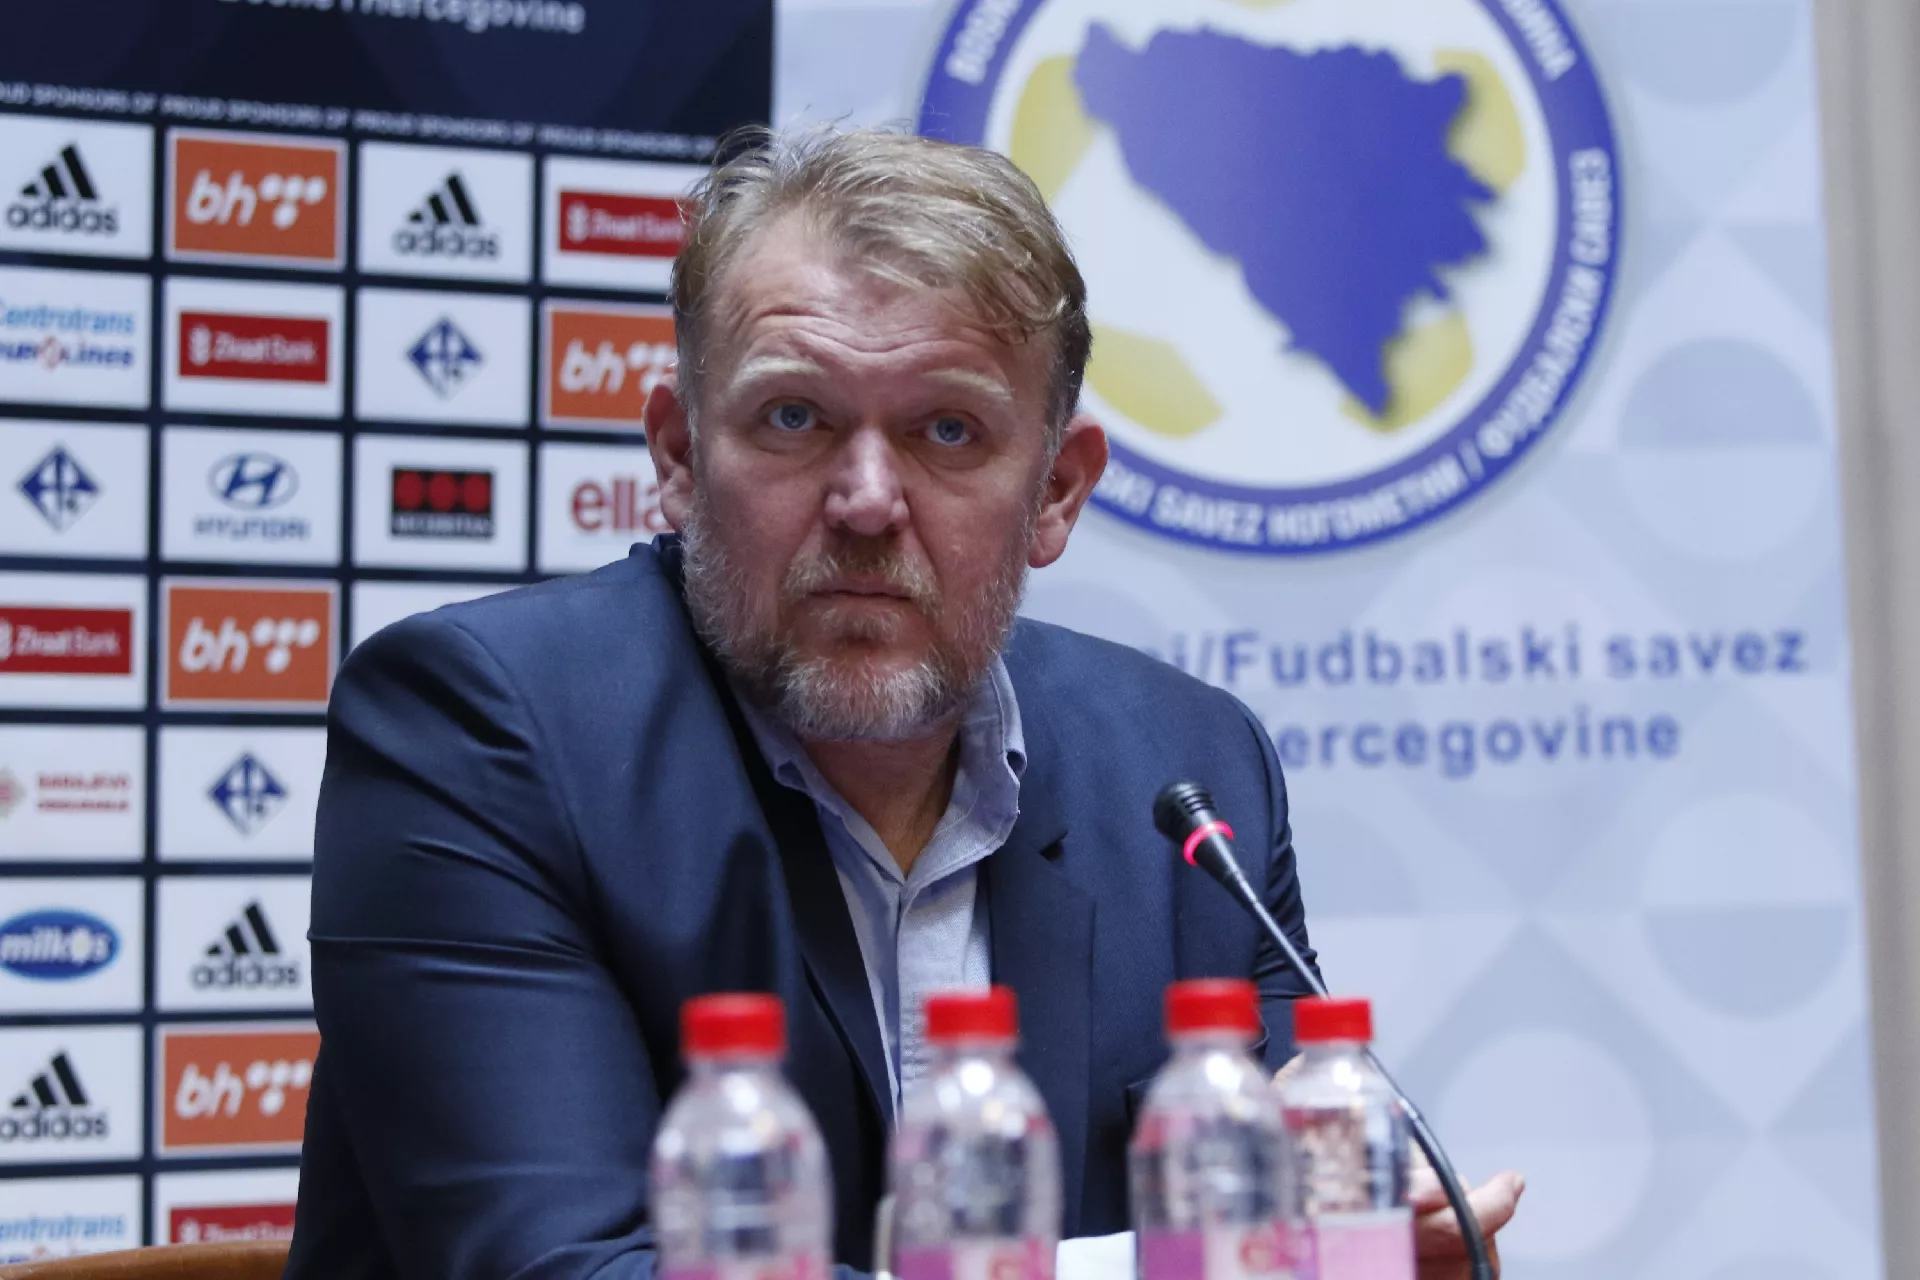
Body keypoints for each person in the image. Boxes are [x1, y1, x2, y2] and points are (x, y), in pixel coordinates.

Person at [286, 126, 1521, 1280]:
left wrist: (1361, 1229)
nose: (869, 500)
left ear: (1056, 491)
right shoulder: (483, 729)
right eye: (794, 417)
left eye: (948, 430)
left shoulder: (1187, 769)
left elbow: (1292, 1201)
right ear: (679, 456)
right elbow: (569, 1267)